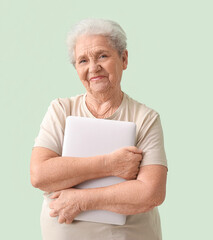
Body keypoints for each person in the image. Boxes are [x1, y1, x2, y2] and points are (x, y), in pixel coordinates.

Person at [30, 18, 168, 240]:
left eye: (102, 56)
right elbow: (39, 175)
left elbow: (151, 193)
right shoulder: (60, 110)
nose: (93, 68)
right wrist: (110, 164)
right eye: (82, 60)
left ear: (123, 59)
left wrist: (81, 200)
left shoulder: (146, 118)